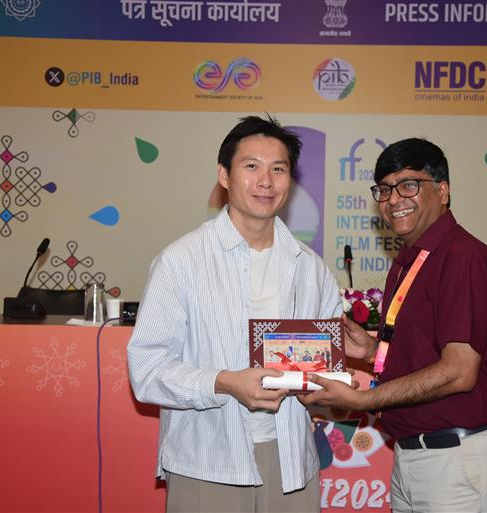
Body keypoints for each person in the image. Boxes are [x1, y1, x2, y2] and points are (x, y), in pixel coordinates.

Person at [127, 115, 341, 513]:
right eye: (251, 166)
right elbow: (147, 369)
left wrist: (327, 378)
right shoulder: (181, 262)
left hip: (291, 460)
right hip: (209, 458)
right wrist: (224, 383)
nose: (266, 181)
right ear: (224, 175)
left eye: (278, 169)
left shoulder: (311, 269)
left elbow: (322, 369)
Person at [301, 138, 487, 512]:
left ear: (443, 191)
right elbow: (428, 355)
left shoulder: (462, 257)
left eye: (409, 185)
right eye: (384, 189)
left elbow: (459, 372)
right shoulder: (411, 261)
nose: (394, 199)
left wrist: (363, 400)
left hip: (457, 463)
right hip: (414, 459)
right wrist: (372, 352)